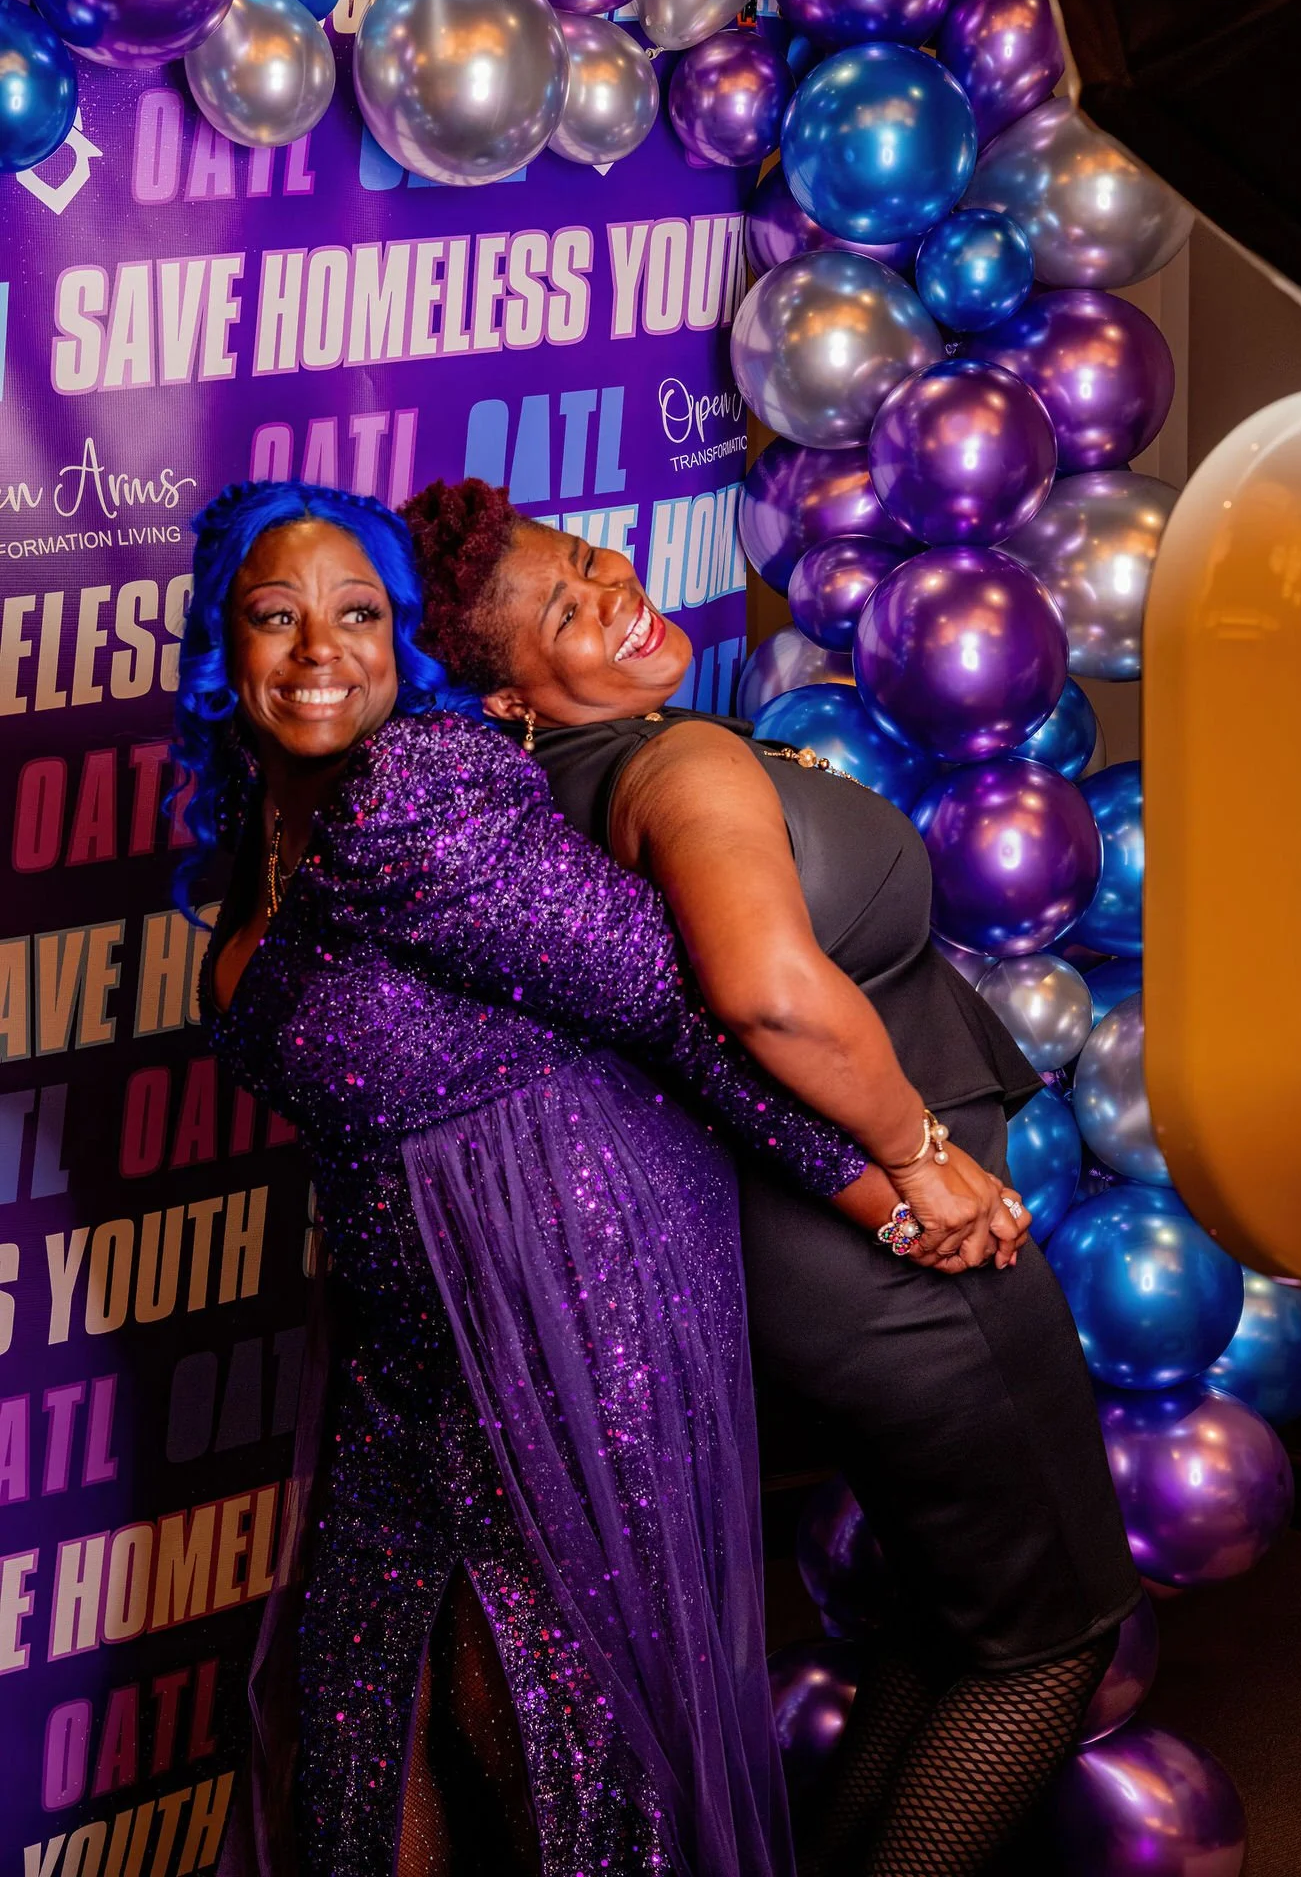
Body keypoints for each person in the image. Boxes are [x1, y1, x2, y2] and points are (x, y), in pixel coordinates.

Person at [175, 479, 925, 1877]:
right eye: (276, 616)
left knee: (545, 1756)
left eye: (361, 615)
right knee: (356, 1751)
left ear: (406, 647)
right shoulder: (254, 851)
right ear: (225, 646)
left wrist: (880, 1177)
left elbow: (671, 1005)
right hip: (403, 1360)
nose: (319, 649)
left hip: (563, 1324)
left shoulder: (420, 791)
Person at [400, 478, 1144, 1877]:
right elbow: (766, 998)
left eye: (590, 563)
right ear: (502, 699)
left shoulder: (554, 796)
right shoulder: (667, 767)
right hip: (901, 1270)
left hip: (803, 1261)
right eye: (561, 611)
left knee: (951, 1629)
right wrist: (920, 1156)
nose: (612, 595)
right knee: (1049, 1644)